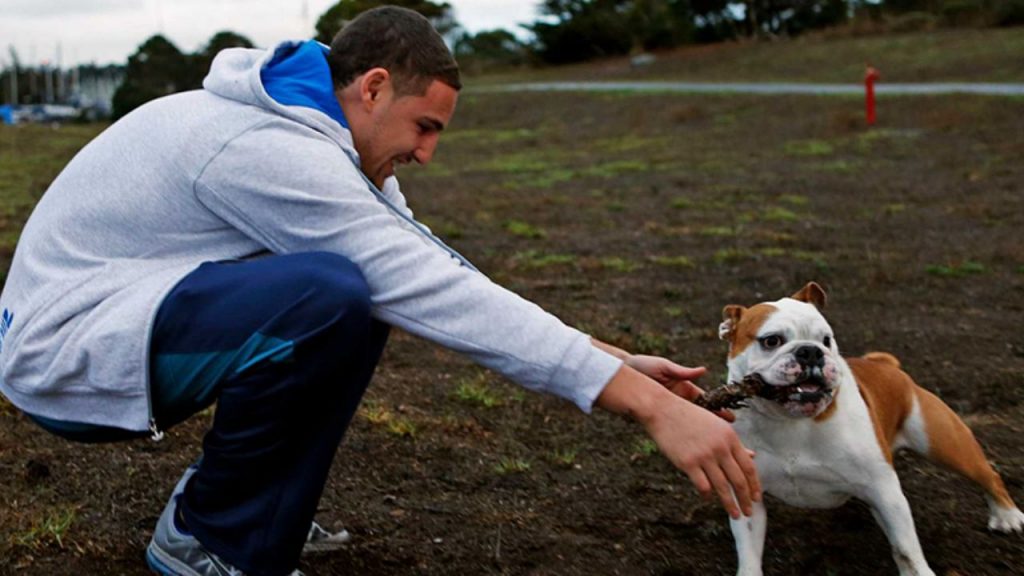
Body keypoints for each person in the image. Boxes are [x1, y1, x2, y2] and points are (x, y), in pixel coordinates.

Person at [0, 6, 759, 576]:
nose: (427, 154)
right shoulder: (269, 150)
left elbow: (435, 267)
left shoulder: (325, 139)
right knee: (327, 296)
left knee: (352, 297)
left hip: (131, 316)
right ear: (372, 88)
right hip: (62, 355)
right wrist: (645, 406)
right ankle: (209, 540)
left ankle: (253, 519)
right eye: (424, 127)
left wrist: (615, 357)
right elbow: (421, 285)